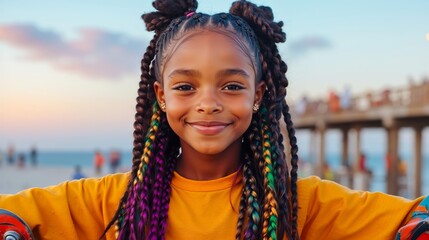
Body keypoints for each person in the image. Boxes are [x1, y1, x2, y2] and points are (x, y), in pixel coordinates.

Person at [0, 1, 428, 239]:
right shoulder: (111, 201)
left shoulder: (302, 203)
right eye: (186, 87)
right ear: (161, 97)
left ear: (259, 95)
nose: (208, 103)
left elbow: (411, 213)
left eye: (232, 86)